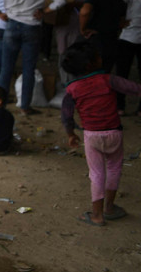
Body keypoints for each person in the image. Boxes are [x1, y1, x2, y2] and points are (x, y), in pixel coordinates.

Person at [60, 41, 140, 226]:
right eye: (97, 56)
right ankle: (110, 208)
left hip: (92, 136)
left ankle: (96, 214)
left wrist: (71, 134)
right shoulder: (107, 79)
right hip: (114, 133)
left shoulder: (72, 89)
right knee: (114, 168)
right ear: (91, 64)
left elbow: (66, 115)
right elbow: (134, 88)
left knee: (96, 174)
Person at [80, 0, 126, 73]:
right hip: (112, 41)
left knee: (91, 73)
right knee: (105, 73)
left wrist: (82, 29)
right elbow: (123, 22)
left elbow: (84, 12)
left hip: (96, 40)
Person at [54, 0, 87, 88]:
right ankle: (64, 81)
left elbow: (86, 4)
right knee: (62, 52)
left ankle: (74, 81)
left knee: (73, 51)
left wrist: (74, 4)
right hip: (61, 25)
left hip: (75, 25)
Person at [116, 0, 141, 114]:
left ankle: (120, 106)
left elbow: (115, 4)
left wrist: (119, 22)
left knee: (122, 73)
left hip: (128, 36)